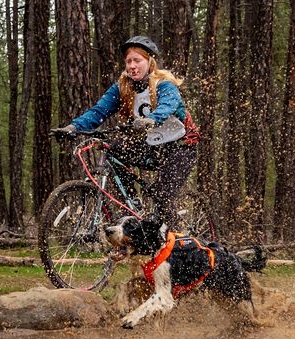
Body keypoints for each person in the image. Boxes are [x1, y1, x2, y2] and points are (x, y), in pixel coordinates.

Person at [52, 36, 198, 228]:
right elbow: (98, 111)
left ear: (150, 62)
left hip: (180, 147)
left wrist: (151, 120)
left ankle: (179, 236)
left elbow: (167, 105)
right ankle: (132, 203)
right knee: (112, 150)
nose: (132, 66)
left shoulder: (164, 84)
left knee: (162, 196)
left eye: (137, 60)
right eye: (128, 61)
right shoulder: (123, 87)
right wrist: (73, 128)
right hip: (152, 146)